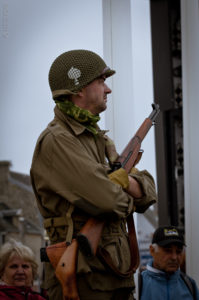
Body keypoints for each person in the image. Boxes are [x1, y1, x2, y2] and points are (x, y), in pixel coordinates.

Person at [30, 49, 157, 300]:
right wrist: (125, 190)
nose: (108, 89)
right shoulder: (58, 141)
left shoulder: (98, 138)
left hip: (113, 275)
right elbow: (110, 202)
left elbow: (149, 192)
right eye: (101, 81)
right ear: (79, 89)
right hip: (84, 281)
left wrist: (125, 182)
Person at [139, 226, 199, 300]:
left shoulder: (189, 284)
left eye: (178, 251)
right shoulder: (139, 284)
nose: (174, 257)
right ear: (152, 250)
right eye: (168, 250)